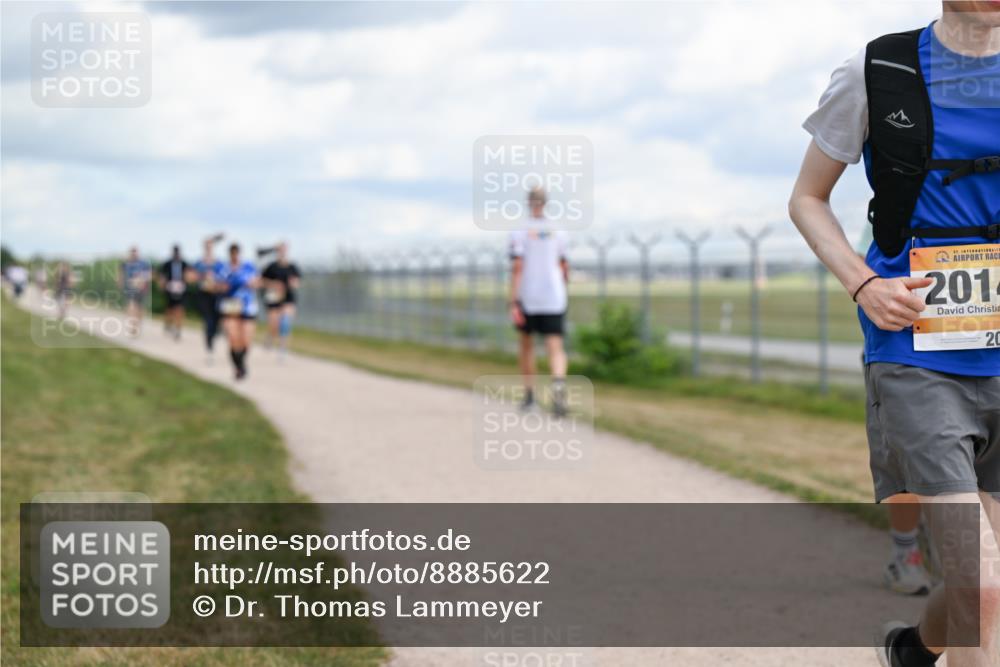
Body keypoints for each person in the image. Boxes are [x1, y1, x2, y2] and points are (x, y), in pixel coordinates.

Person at [789, 4, 999, 666]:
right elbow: (807, 198)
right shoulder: (877, 69)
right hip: (916, 350)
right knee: (980, 583)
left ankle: (913, 650)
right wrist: (862, 283)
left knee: (988, 592)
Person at [508, 186, 570, 417]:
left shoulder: (519, 231)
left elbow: (517, 267)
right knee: (555, 346)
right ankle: (558, 387)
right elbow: (564, 266)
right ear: (546, 203)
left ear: (528, 202)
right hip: (554, 296)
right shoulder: (558, 230)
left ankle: (530, 396)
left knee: (527, 346)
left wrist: (512, 299)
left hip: (529, 296)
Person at [217, 243, 259, 380]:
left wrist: (252, 284)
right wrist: (223, 287)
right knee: (233, 337)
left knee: (246, 339)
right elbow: (216, 285)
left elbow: (257, 282)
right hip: (230, 305)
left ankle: (241, 362)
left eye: (236, 254)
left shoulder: (249, 267)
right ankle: (239, 367)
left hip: (247, 305)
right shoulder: (223, 269)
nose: (234, 256)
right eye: (232, 254)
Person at [261, 241, 301, 358]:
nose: (282, 252)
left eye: (284, 250)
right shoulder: (271, 267)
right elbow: (261, 281)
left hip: (288, 298)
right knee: (274, 325)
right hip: (273, 298)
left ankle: (283, 348)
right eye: (280, 250)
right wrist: (273, 284)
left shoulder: (292, 267)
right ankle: (270, 336)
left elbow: (297, 282)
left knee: (285, 322)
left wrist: (293, 283)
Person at [192, 235, 225, 364]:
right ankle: (209, 350)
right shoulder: (199, 263)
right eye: (207, 245)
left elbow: (225, 280)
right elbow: (190, 277)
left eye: (210, 245)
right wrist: (202, 276)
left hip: (216, 296)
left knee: (216, 322)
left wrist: (217, 284)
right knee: (208, 322)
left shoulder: (219, 264)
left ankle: (214, 335)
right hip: (204, 295)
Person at [158, 245, 189, 341]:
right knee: (170, 310)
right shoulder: (167, 264)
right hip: (169, 289)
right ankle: (168, 324)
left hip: (181, 290)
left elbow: (189, 275)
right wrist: (162, 284)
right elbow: (162, 275)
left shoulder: (184, 264)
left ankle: (178, 329)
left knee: (180, 309)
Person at [120, 247, 151, 337]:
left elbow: (149, 275)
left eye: (135, 252)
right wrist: (121, 285)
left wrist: (141, 280)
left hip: (141, 289)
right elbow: (121, 275)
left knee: (140, 308)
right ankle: (133, 326)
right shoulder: (125, 263)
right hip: (130, 289)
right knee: (131, 306)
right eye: (132, 252)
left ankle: (137, 324)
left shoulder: (144, 263)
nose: (134, 254)